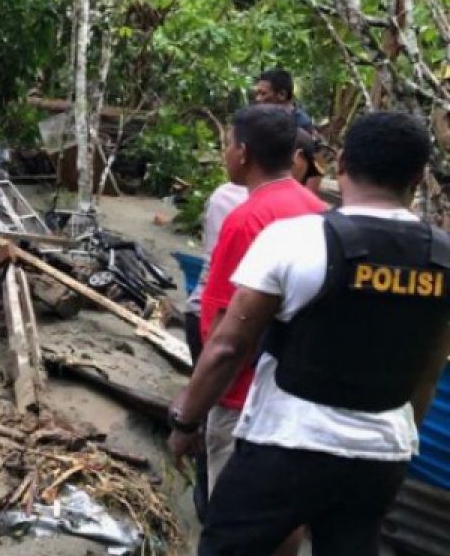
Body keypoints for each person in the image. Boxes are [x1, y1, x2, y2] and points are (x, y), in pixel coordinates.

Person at [168, 112, 450, 555]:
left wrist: (186, 420)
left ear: (341, 165)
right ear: (418, 178)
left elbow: (229, 345)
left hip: (287, 447)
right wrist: (394, 439)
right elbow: (428, 373)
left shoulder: (295, 240)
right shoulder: (442, 257)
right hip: (380, 459)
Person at [196, 106, 327, 495]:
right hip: (294, 396)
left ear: (243, 153)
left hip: (241, 398)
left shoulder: (247, 218)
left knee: (229, 511)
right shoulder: (320, 212)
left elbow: (226, 331)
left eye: (228, 145)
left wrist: (193, 409)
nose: (226, 154)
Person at [185, 178, 248, 518]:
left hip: (213, 319)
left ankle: (208, 503)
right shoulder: (306, 212)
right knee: (219, 415)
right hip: (219, 321)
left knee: (215, 414)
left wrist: (183, 425)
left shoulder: (233, 200)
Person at [254, 68, 316, 134]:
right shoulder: (262, 118)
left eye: (263, 94)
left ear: (282, 94)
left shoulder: (301, 124)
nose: (258, 99)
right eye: (257, 94)